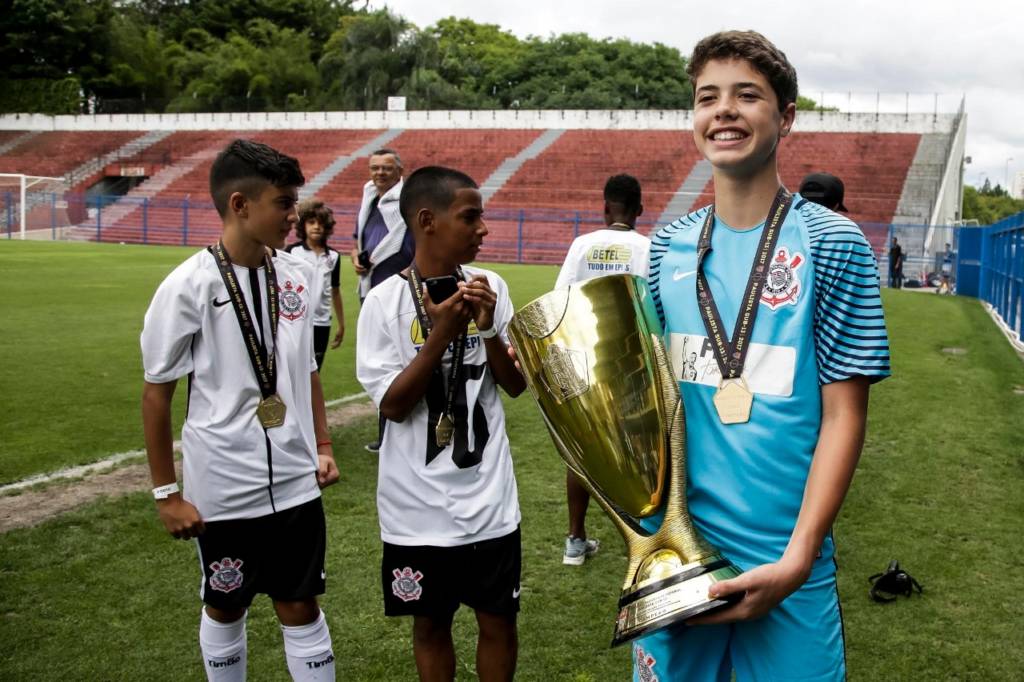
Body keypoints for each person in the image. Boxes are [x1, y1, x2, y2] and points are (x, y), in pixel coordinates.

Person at [638, 31, 890, 682]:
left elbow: (843, 416)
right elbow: (649, 412)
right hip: (680, 561)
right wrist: (652, 542)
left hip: (786, 563)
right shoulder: (666, 249)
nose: (723, 111)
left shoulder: (833, 243)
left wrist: (800, 557)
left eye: (746, 95)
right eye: (707, 97)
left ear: (786, 117)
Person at [141, 139, 340, 682]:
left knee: (301, 605)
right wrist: (167, 495)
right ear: (240, 205)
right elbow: (157, 392)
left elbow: (307, 371)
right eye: (283, 203)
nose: (293, 216)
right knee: (227, 604)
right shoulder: (187, 286)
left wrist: (322, 444)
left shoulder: (301, 276)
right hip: (224, 486)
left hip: (297, 480)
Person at [355, 166, 526, 682]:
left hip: (489, 497)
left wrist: (490, 328)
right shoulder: (384, 302)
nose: (483, 229)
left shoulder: (490, 285)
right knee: (430, 624)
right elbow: (393, 406)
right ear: (427, 220)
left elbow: (514, 386)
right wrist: (439, 336)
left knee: (499, 620)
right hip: (416, 505)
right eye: (470, 217)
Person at [553, 173, 651, 565]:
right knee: (640, 449)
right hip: (630, 359)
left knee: (583, 449)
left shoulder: (582, 245)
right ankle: (642, 541)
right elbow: (654, 305)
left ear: (604, 206)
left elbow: (559, 301)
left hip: (583, 356)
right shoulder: (648, 247)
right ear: (639, 210)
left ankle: (575, 539)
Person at [352, 148, 414, 452]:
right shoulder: (368, 200)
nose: (379, 173)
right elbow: (358, 240)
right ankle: (386, 434)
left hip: (401, 294)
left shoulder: (407, 204)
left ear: (399, 171)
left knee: (404, 361)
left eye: (386, 168)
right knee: (381, 363)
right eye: (374, 168)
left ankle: (396, 433)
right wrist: (356, 257)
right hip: (372, 291)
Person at [286, 199, 344, 371]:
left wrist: (341, 324)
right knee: (295, 367)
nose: (316, 227)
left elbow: (335, 290)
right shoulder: (292, 252)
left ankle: (310, 399)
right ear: (302, 225)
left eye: (321, 223)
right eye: (311, 222)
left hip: (322, 322)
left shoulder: (333, 256)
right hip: (296, 319)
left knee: (315, 369)